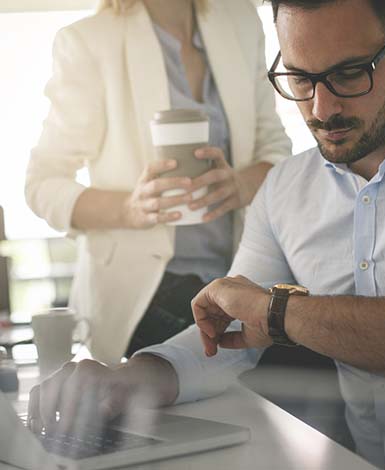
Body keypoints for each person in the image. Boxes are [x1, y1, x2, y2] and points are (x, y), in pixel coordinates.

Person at [28, 0, 385, 468]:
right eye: (300, 79)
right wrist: (132, 376)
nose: (322, 109)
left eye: (349, 74)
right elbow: (233, 329)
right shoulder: (286, 189)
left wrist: (276, 312)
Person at [25, 0, 291, 365]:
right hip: (142, 297)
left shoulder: (241, 19)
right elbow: (42, 184)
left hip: (236, 277)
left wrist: (241, 186)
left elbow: (275, 150)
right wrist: (131, 209)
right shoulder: (89, 41)